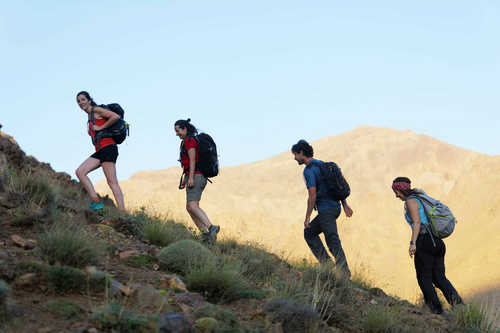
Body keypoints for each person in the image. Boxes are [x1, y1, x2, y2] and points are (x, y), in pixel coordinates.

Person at [392, 177, 463, 314]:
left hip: (425, 242)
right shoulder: (421, 197)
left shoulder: (410, 201)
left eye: (396, 191)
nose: (396, 195)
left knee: (424, 278)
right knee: (439, 278)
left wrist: (413, 243)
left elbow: (417, 223)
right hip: (437, 242)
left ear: (400, 189)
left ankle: (436, 312)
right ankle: (460, 308)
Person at [291, 139, 353, 276]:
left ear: (301, 153)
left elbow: (312, 195)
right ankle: (328, 265)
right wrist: (345, 204)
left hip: (326, 210)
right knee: (310, 233)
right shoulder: (323, 165)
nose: (294, 158)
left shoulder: (309, 171)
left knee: (332, 239)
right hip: (335, 207)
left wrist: (307, 217)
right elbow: (335, 185)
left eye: (295, 154)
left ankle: (344, 273)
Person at [75, 91, 125, 211]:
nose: (81, 103)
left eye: (83, 99)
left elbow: (115, 116)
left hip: (108, 147)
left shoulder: (96, 110)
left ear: (89, 100)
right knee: (80, 172)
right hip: (100, 150)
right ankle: (96, 201)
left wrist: (101, 127)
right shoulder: (89, 117)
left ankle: (123, 211)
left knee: (112, 182)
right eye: (78, 101)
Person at [175, 119, 220, 242]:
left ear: (184, 128)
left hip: (197, 176)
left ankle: (211, 227)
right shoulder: (189, 140)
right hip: (195, 175)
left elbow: (192, 160)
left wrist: (190, 178)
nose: (176, 133)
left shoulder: (189, 140)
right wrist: (186, 178)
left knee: (192, 205)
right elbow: (188, 163)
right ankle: (205, 234)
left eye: (178, 130)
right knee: (190, 207)